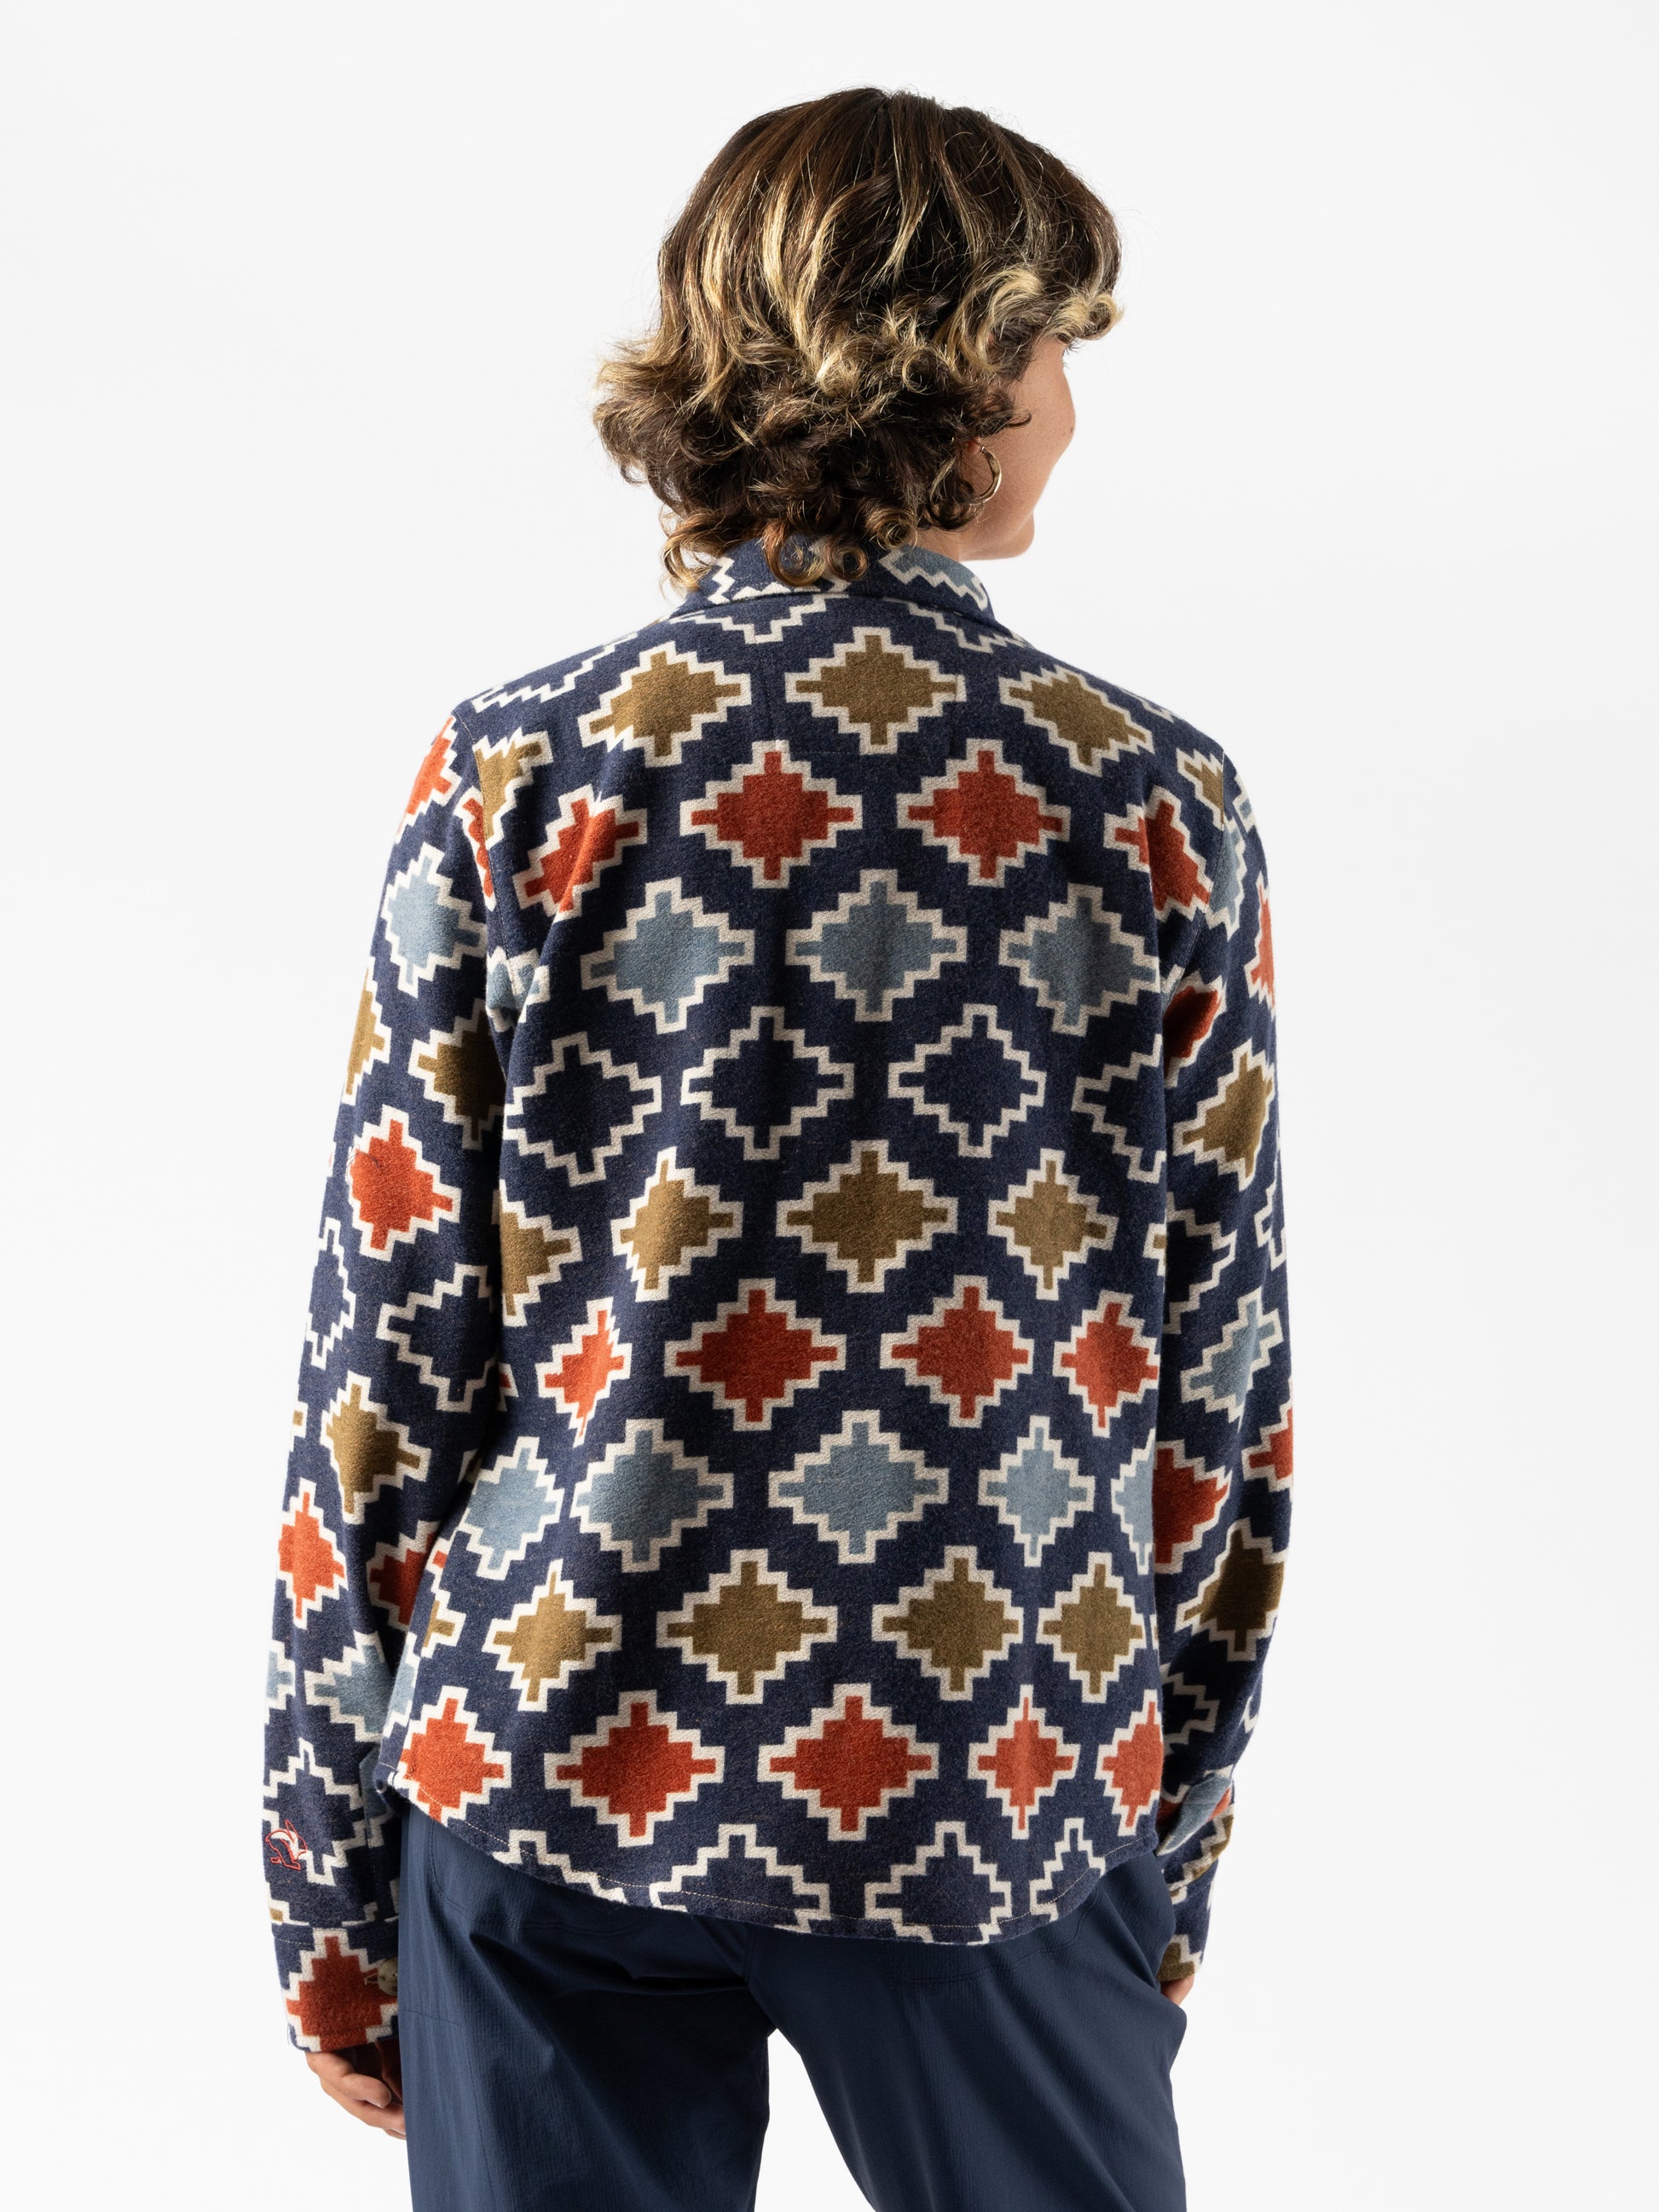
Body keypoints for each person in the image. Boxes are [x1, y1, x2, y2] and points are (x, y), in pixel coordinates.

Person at [263, 86, 1292, 2212]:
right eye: (1052, 342)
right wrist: (1157, 1841)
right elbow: (1217, 1392)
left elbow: (386, 1365)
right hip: (985, 1767)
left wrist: (330, 1881)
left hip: (543, 1765)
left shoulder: (520, 771)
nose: (1072, 408)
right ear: (946, 358)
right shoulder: (1149, 802)